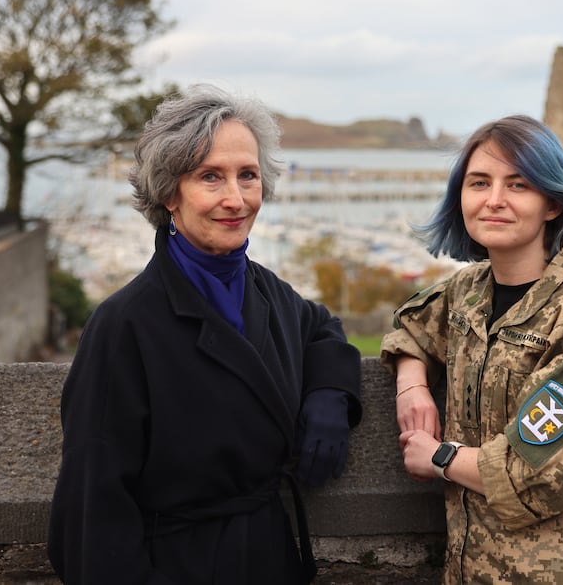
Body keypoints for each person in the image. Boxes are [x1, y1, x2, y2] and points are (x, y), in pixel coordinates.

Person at [48, 84, 362, 584]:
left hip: (269, 556)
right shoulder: (124, 324)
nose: (235, 199)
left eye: (248, 176)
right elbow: (93, 511)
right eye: (210, 177)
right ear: (170, 192)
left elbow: (322, 329)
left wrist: (329, 396)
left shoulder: (267, 293)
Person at [381, 115, 563, 584]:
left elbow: (538, 474)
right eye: (479, 183)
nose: (494, 200)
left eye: (518, 185)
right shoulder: (468, 291)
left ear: (552, 203)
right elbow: (410, 328)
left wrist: (439, 457)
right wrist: (412, 386)